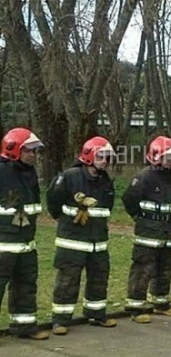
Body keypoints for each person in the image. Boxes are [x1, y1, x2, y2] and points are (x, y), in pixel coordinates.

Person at [47, 136, 117, 335]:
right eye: (101, 156)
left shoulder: (105, 180)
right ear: (89, 156)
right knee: (68, 280)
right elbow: (53, 203)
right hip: (72, 242)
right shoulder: (70, 176)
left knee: (99, 278)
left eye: (108, 157)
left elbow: (107, 207)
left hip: (98, 242)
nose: (105, 161)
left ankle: (96, 313)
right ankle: (60, 320)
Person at [123, 136, 171, 323]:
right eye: (167, 157)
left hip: (166, 232)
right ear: (156, 157)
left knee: (165, 269)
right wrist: (141, 219)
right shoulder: (144, 176)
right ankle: (136, 307)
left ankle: (161, 303)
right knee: (143, 269)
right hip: (148, 234)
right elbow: (129, 200)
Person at [0, 128, 50, 340]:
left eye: (34, 151)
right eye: (28, 150)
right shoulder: (2, 171)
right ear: (13, 149)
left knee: (26, 284)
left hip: (26, 242)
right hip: (3, 243)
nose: (32, 155)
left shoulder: (29, 172)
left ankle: (25, 327)